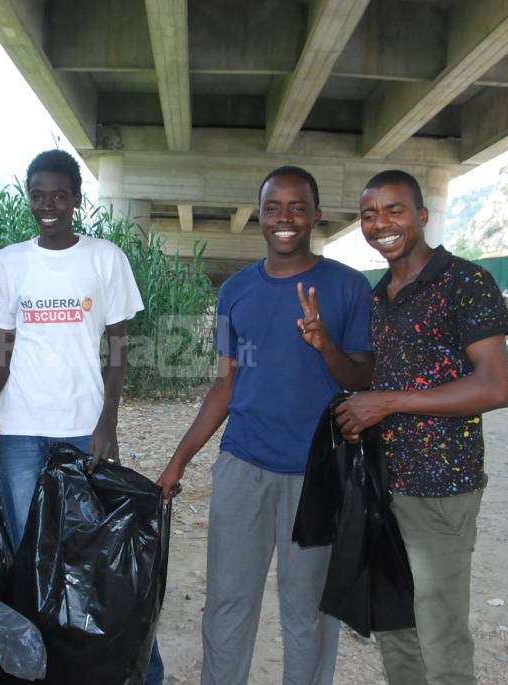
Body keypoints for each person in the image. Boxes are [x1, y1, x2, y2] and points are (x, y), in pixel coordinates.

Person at [157, 166, 373, 685]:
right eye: (273, 207)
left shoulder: (347, 287)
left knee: (308, 610)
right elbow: (226, 385)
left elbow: (363, 377)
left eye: (297, 207)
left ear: (316, 215)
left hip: (317, 473)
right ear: (260, 215)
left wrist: (325, 345)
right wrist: (178, 462)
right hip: (242, 466)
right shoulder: (235, 290)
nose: (284, 218)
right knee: (228, 603)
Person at [0, 149, 163, 682]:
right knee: (29, 549)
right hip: (23, 431)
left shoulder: (104, 258)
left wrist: (108, 423)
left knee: (85, 546)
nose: (48, 205)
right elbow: (0, 351)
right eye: (38, 195)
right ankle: (40, 661)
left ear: (76, 199)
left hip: (81, 426)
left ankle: (103, 659)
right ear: (28, 198)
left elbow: (119, 349)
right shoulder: (9, 264)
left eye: (59, 195)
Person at [335, 170, 508, 685]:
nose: (381, 224)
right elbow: (373, 379)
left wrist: (388, 403)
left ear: (422, 215)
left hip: (441, 487)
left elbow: (495, 387)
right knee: (394, 625)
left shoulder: (465, 281)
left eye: (394, 210)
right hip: (384, 484)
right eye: (369, 215)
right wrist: (327, 347)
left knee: (441, 634)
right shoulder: (381, 295)